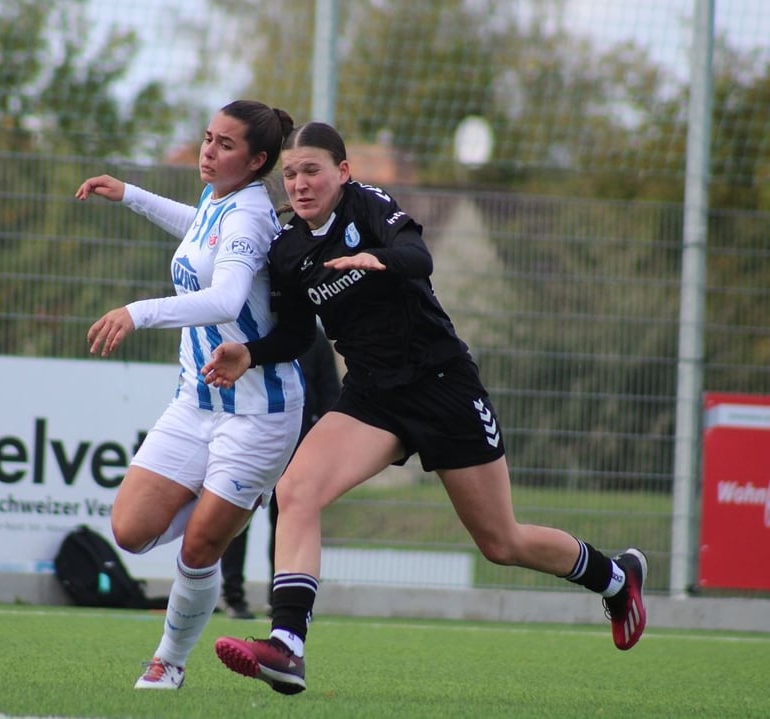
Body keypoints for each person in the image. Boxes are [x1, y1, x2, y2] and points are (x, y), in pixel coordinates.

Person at [201, 122, 648, 695]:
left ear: (342, 171)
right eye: (290, 174)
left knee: (501, 542)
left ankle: (616, 579)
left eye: (312, 170)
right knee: (296, 492)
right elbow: (293, 335)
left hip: (442, 387)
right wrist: (250, 353)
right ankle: (286, 645)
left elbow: (418, 255)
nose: (300, 183)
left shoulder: (369, 205)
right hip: (372, 396)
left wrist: (377, 260)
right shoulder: (289, 251)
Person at [74, 100, 304, 690]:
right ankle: (232, 501)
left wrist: (137, 311)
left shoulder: (250, 216)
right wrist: (132, 195)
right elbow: (199, 233)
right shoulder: (218, 199)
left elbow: (227, 299)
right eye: (207, 138)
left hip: (259, 413)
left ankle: (168, 661)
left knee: (199, 549)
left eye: (225, 145)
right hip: (198, 402)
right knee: (129, 530)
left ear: (256, 162)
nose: (208, 150)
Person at [219, 324, 339, 618]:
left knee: (289, 520)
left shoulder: (314, 339)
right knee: (236, 516)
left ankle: (281, 600)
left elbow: (330, 397)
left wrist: (320, 445)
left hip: (297, 446)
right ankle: (233, 596)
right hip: (249, 439)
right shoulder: (247, 330)